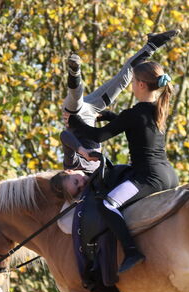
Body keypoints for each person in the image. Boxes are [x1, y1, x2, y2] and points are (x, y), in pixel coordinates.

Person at [67, 61, 178, 273]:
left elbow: (98, 136)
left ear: (141, 85)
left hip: (148, 177)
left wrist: (75, 121)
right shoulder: (158, 109)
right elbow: (136, 128)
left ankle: (132, 251)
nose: (132, 86)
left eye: (133, 82)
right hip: (169, 175)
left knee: (107, 204)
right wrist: (110, 116)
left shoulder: (134, 113)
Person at [61, 30, 179, 173]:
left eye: (134, 82)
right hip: (89, 114)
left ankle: (75, 72)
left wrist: (76, 121)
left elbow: (91, 135)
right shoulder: (153, 112)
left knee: (77, 98)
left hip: (79, 116)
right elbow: (131, 124)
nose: (78, 182)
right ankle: (152, 45)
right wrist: (106, 115)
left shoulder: (153, 111)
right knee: (121, 80)